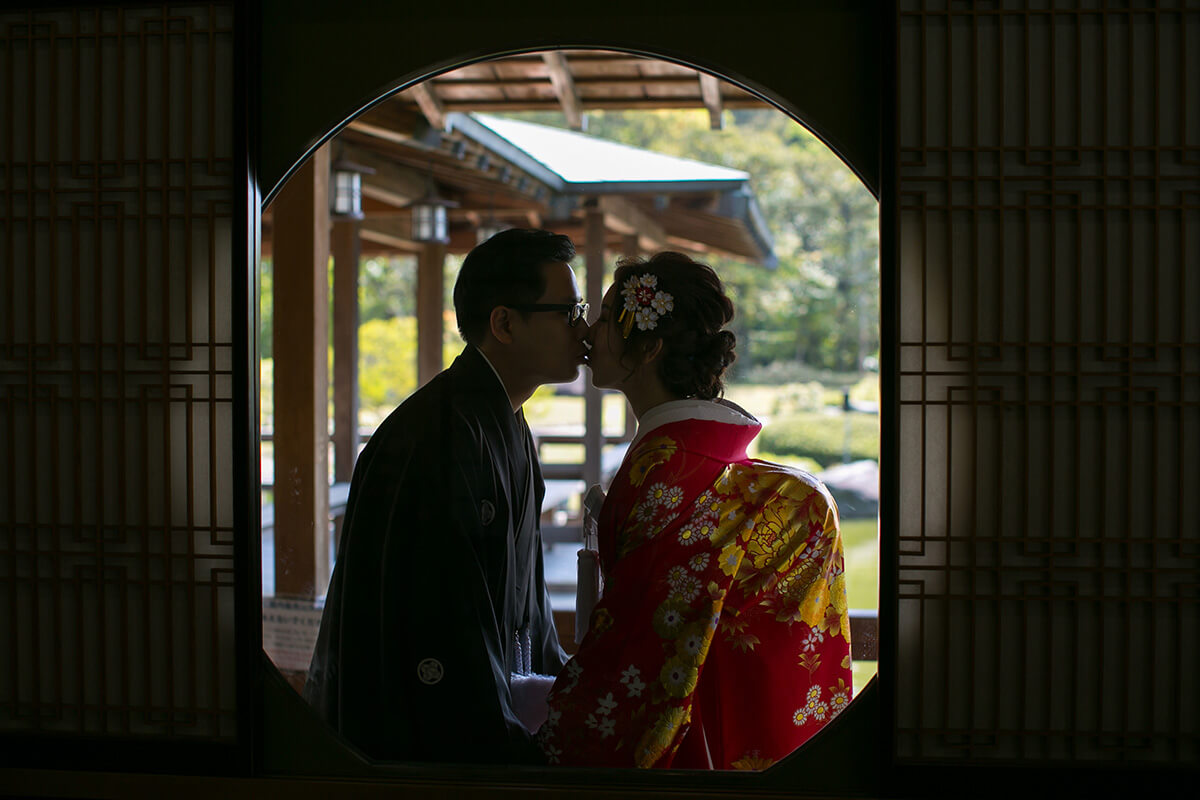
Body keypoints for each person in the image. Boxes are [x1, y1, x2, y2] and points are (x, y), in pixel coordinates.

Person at [537, 252, 852, 770]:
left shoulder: (669, 474)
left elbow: (636, 644)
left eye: (607, 317)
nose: (589, 332)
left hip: (690, 749)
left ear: (650, 348)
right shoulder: (686, 463)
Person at [304, 228, 587, 763]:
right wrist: (503, 745)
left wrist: (560, 695)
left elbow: (526, 598)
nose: (583, 329)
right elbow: (444, 619)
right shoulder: (437, 436)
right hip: (427, 730)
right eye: (568, 312)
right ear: (504, 323)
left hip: (491, 705)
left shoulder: (497, 417)